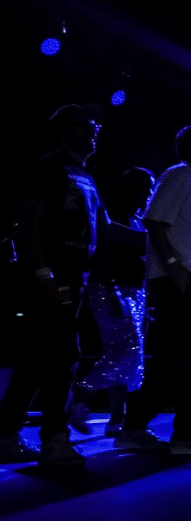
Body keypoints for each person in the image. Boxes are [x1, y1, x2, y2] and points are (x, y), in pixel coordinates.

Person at [0, 105, 105, 469]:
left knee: (37, 358)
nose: (93, 131)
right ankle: (55, 440)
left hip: (76, 277)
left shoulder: (84, 174)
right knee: (63, 357)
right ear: (63, 130)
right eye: (86, 125)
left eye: (95, 126)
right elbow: (30, 224)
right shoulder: (49, 168)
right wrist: (43, 275)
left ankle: (6, 434)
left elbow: (102, 227)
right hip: (52, 277)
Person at [114, 126, 191, 455]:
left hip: (180, 278)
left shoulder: (188, 179)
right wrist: (176, 265)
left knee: (168, 359)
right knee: (190, 358)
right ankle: (187, 435)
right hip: (177, 280)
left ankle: (134, 428)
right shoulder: (179, 176)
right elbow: (154, 221)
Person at [72, 167, 155, 435]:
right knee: (125, 353)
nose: (150, 193)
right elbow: (103, 258)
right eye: (146, 188)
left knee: (125, 355)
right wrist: (115, 293)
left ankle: (117, 418)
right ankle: (80, 395)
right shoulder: (114, 217)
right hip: (111, 290)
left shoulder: (135, 218)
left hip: (133, 292)